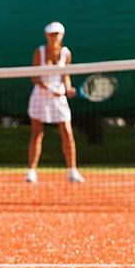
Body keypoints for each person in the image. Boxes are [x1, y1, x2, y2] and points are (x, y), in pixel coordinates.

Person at [26, 21, 84, 184]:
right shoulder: (40, 52)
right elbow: (34, 77)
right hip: (40, 96)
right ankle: (31, 172)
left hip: (58, 98)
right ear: (46, 36)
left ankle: (72, 171)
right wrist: (50, 89)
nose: (54, 37)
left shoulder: (66, 54)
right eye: (51, 34)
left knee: (67, 132)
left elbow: (65, 75)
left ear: (62, 36)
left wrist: (68, 88)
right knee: (37, 133)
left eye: (56, 34)